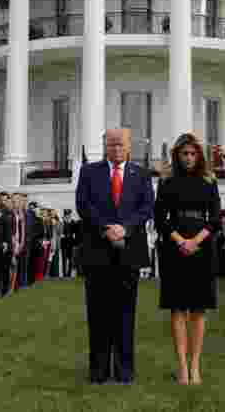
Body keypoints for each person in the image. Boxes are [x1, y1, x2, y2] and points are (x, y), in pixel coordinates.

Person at [76, 128, 155, 384]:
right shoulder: (90, 171)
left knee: (125, 313)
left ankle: (124, 370)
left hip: (129, 252)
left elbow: (147, 207)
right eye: (111, 145)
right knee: (98, 313)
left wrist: (126, 228)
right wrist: (106, 228)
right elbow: (83, 204)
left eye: (121, 145)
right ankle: (98, 370)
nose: (116, 149)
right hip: (97, 251)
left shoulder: (141, 174)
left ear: (129, 146)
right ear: (105, 146)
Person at [154, 132, 221, 385]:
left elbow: (215, 217)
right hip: (174, 247)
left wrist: (196, 240)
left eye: (193, 153)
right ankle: (182, 367)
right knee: (178, 308)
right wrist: (180, 240)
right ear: (177, 155)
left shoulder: (209, 180)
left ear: (199, 155)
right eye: (184, 153)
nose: (189, 158)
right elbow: (160, 217)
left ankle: (195, 366)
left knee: (198, 309)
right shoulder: (167, 181)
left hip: (203, 247)